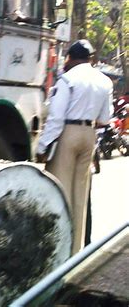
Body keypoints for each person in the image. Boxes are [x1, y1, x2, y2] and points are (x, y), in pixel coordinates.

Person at [36, 40, 113, 254]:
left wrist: (42, 146)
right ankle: (75, 251)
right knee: (81, 194)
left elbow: (56, 119)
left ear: (70, 57)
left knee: (60, 189)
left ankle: (58, 249)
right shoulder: (105, 81)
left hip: (68, 134)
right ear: (90, 58)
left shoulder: (67, 79)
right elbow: (105, 119)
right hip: (89, 135)